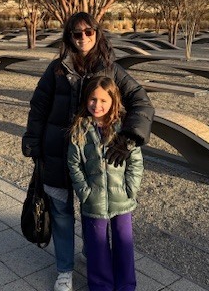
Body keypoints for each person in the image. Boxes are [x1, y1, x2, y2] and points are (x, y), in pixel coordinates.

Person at [22, 12, 154, 291]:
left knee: (92, 209)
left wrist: (129, 137)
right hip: (57, 155)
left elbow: (141, 102)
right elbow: (38, 107)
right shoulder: (56, 69)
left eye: (89, 31)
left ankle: (90, 255)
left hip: (94, 159)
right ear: (68, 36)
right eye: (76, 33)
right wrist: (33, 142)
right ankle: (64, 270)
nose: (83, 38)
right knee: (60, 213)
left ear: (97, 33)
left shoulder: (111, 70)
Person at [67, 76, 143, 291]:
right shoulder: (79, 129)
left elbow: (136, 162)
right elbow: (74, 164)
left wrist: (130, 189)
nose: (97, 105)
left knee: (124, 245)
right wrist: (85, 193)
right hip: (93, 201)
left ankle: (126, 286)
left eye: (103, 100)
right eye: (93, 99)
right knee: (97, 247)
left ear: (113, 101)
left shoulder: (123, 128)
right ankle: (101, 286)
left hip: (122, 199)